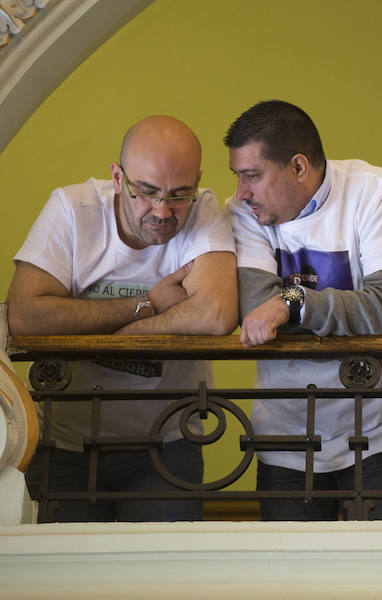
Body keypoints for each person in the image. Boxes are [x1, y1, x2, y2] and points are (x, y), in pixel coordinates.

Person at [8, 115, 238, 521]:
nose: (163, 211)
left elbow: (216, 313)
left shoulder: (203, 210)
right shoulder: (72, 209)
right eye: (146, 192)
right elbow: (26, 316)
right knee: (60, 579)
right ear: (118, 178)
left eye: (179, 194)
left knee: (162, 581)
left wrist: (103, 329)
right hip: (63, 444)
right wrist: (146, 305)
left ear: (197, 182)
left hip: (168, 446)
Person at [224, 100, 382, 521]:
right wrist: (363, 337)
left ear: (298, 167)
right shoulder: (244, 212)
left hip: (380, 431)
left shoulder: (376, 192)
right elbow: (257, 314)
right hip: (285, 434)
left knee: (377, 580)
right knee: (293, 583)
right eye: (238, 177)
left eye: (253, 176)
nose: (242, 192)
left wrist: (291, 301)